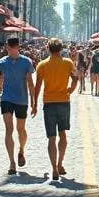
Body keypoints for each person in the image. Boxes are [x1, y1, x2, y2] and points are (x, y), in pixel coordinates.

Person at [32, 38, 77, 181]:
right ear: (61, 49)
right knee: (62, 134)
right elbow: (76, 78)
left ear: (48, 49)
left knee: (51, 138)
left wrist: (34, 104)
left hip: (49, 103)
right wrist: (71, 89)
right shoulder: (68, 63)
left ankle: (53, 169)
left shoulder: (42, 65)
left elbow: (38, 86)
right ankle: (60, 164)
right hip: (64, 101)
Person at [0, 37, 35, 175]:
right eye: (10, 46)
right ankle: (12, 162)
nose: (10, 48)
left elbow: (30, 82)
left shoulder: (25, 62)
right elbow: (1, 79)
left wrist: (33, 101)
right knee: (11, 130)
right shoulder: (3, 62)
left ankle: (20, 151)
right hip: (8, 99)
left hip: (20, 99)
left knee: (19, 130)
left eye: (11, 46)